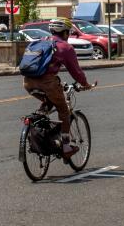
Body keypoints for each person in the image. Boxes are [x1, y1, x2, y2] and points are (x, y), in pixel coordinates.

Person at [22, 17, 92, 159]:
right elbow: (76, 72)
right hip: (48, 83)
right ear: (65, 33)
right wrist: (85, 84)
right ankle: (66, 146)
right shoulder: (65, 47)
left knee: (48, 103)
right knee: (63, 111)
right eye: (69, 33)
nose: (69, 36)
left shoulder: (40, 41)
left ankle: (41, 129)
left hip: (28, 82)